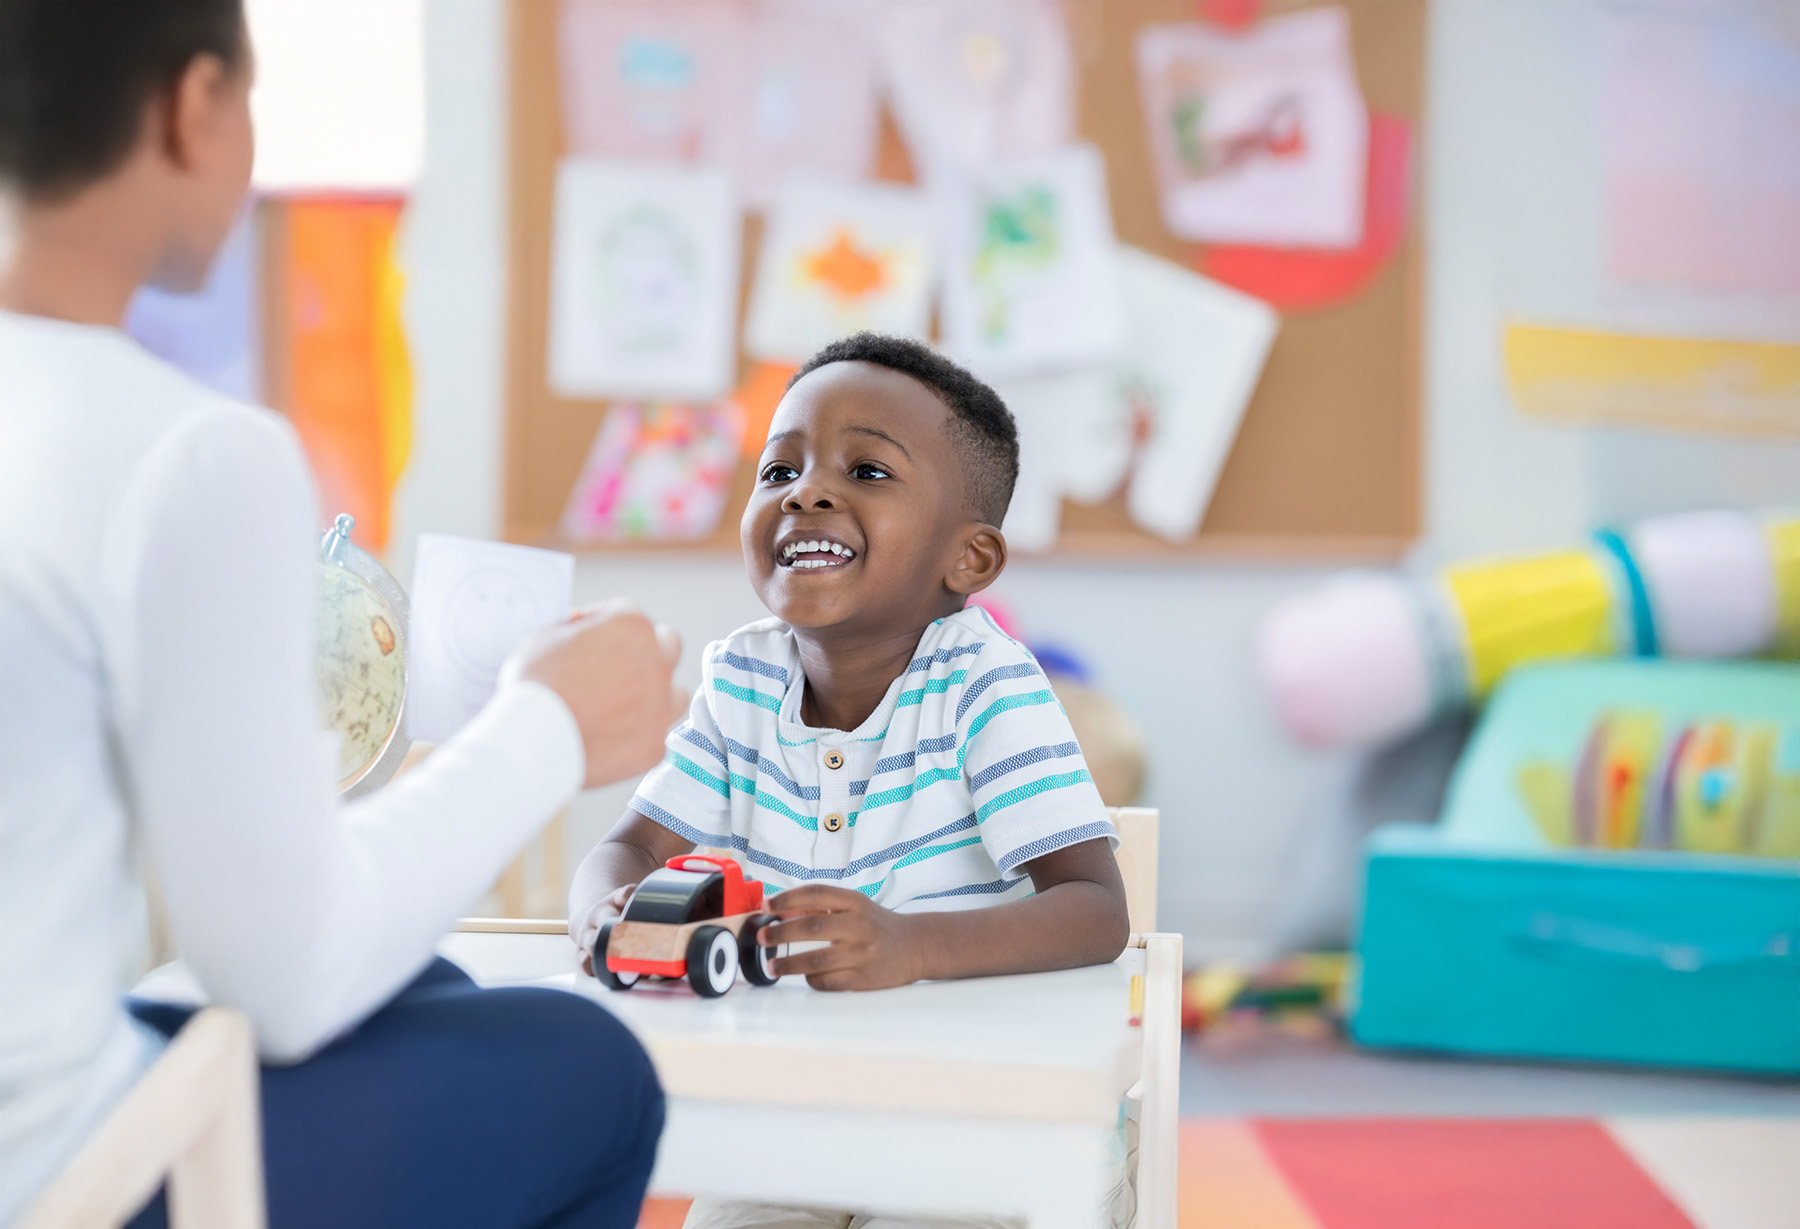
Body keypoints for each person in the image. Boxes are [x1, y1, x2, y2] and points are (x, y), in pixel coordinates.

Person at [0, 2, 678, 1225]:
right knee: (601, 1070)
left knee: (429, 985)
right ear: (195, 104)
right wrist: (549, 728)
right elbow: (285, 974)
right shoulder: (190, 452)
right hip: (62, 1172)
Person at [569, 332, 1128, 988]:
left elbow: (1097, 909)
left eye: (867, 470)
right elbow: (629, 848)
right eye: (779, 470)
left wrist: (914, 946)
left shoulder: (985, 684)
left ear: (968, 558)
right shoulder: (739, 682)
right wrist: (599, 912)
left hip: (954, 1058)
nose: (805, 494)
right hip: (772, 1048)